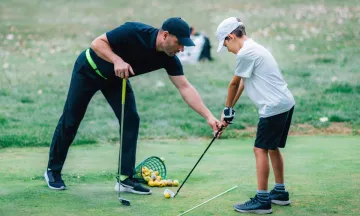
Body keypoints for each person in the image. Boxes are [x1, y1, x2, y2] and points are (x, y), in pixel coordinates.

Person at [44, 17, 221, 195]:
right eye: (179, 43)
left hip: (116, 79)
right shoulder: (134, 31)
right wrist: (116, 60)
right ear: (165, 35)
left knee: (130, 119)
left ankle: (125, 179)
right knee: (71, 119)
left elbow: (185, 87)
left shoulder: (169, 58)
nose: (182, 49)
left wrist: (209, 117)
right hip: (88, 70)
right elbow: (97, 43)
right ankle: (53, 171)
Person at [216, 17, 295, 214]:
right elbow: (243, 81)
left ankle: (262, 200)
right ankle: (280, 192)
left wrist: (226, 111)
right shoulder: (255, 48)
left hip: (273, 107)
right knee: (272, 147)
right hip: (285, 103)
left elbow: (233, 84)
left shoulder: (246, 53)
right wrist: (230, 110)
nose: (227, 49)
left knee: (259, 149)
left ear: (231, 36)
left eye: (226, 44)